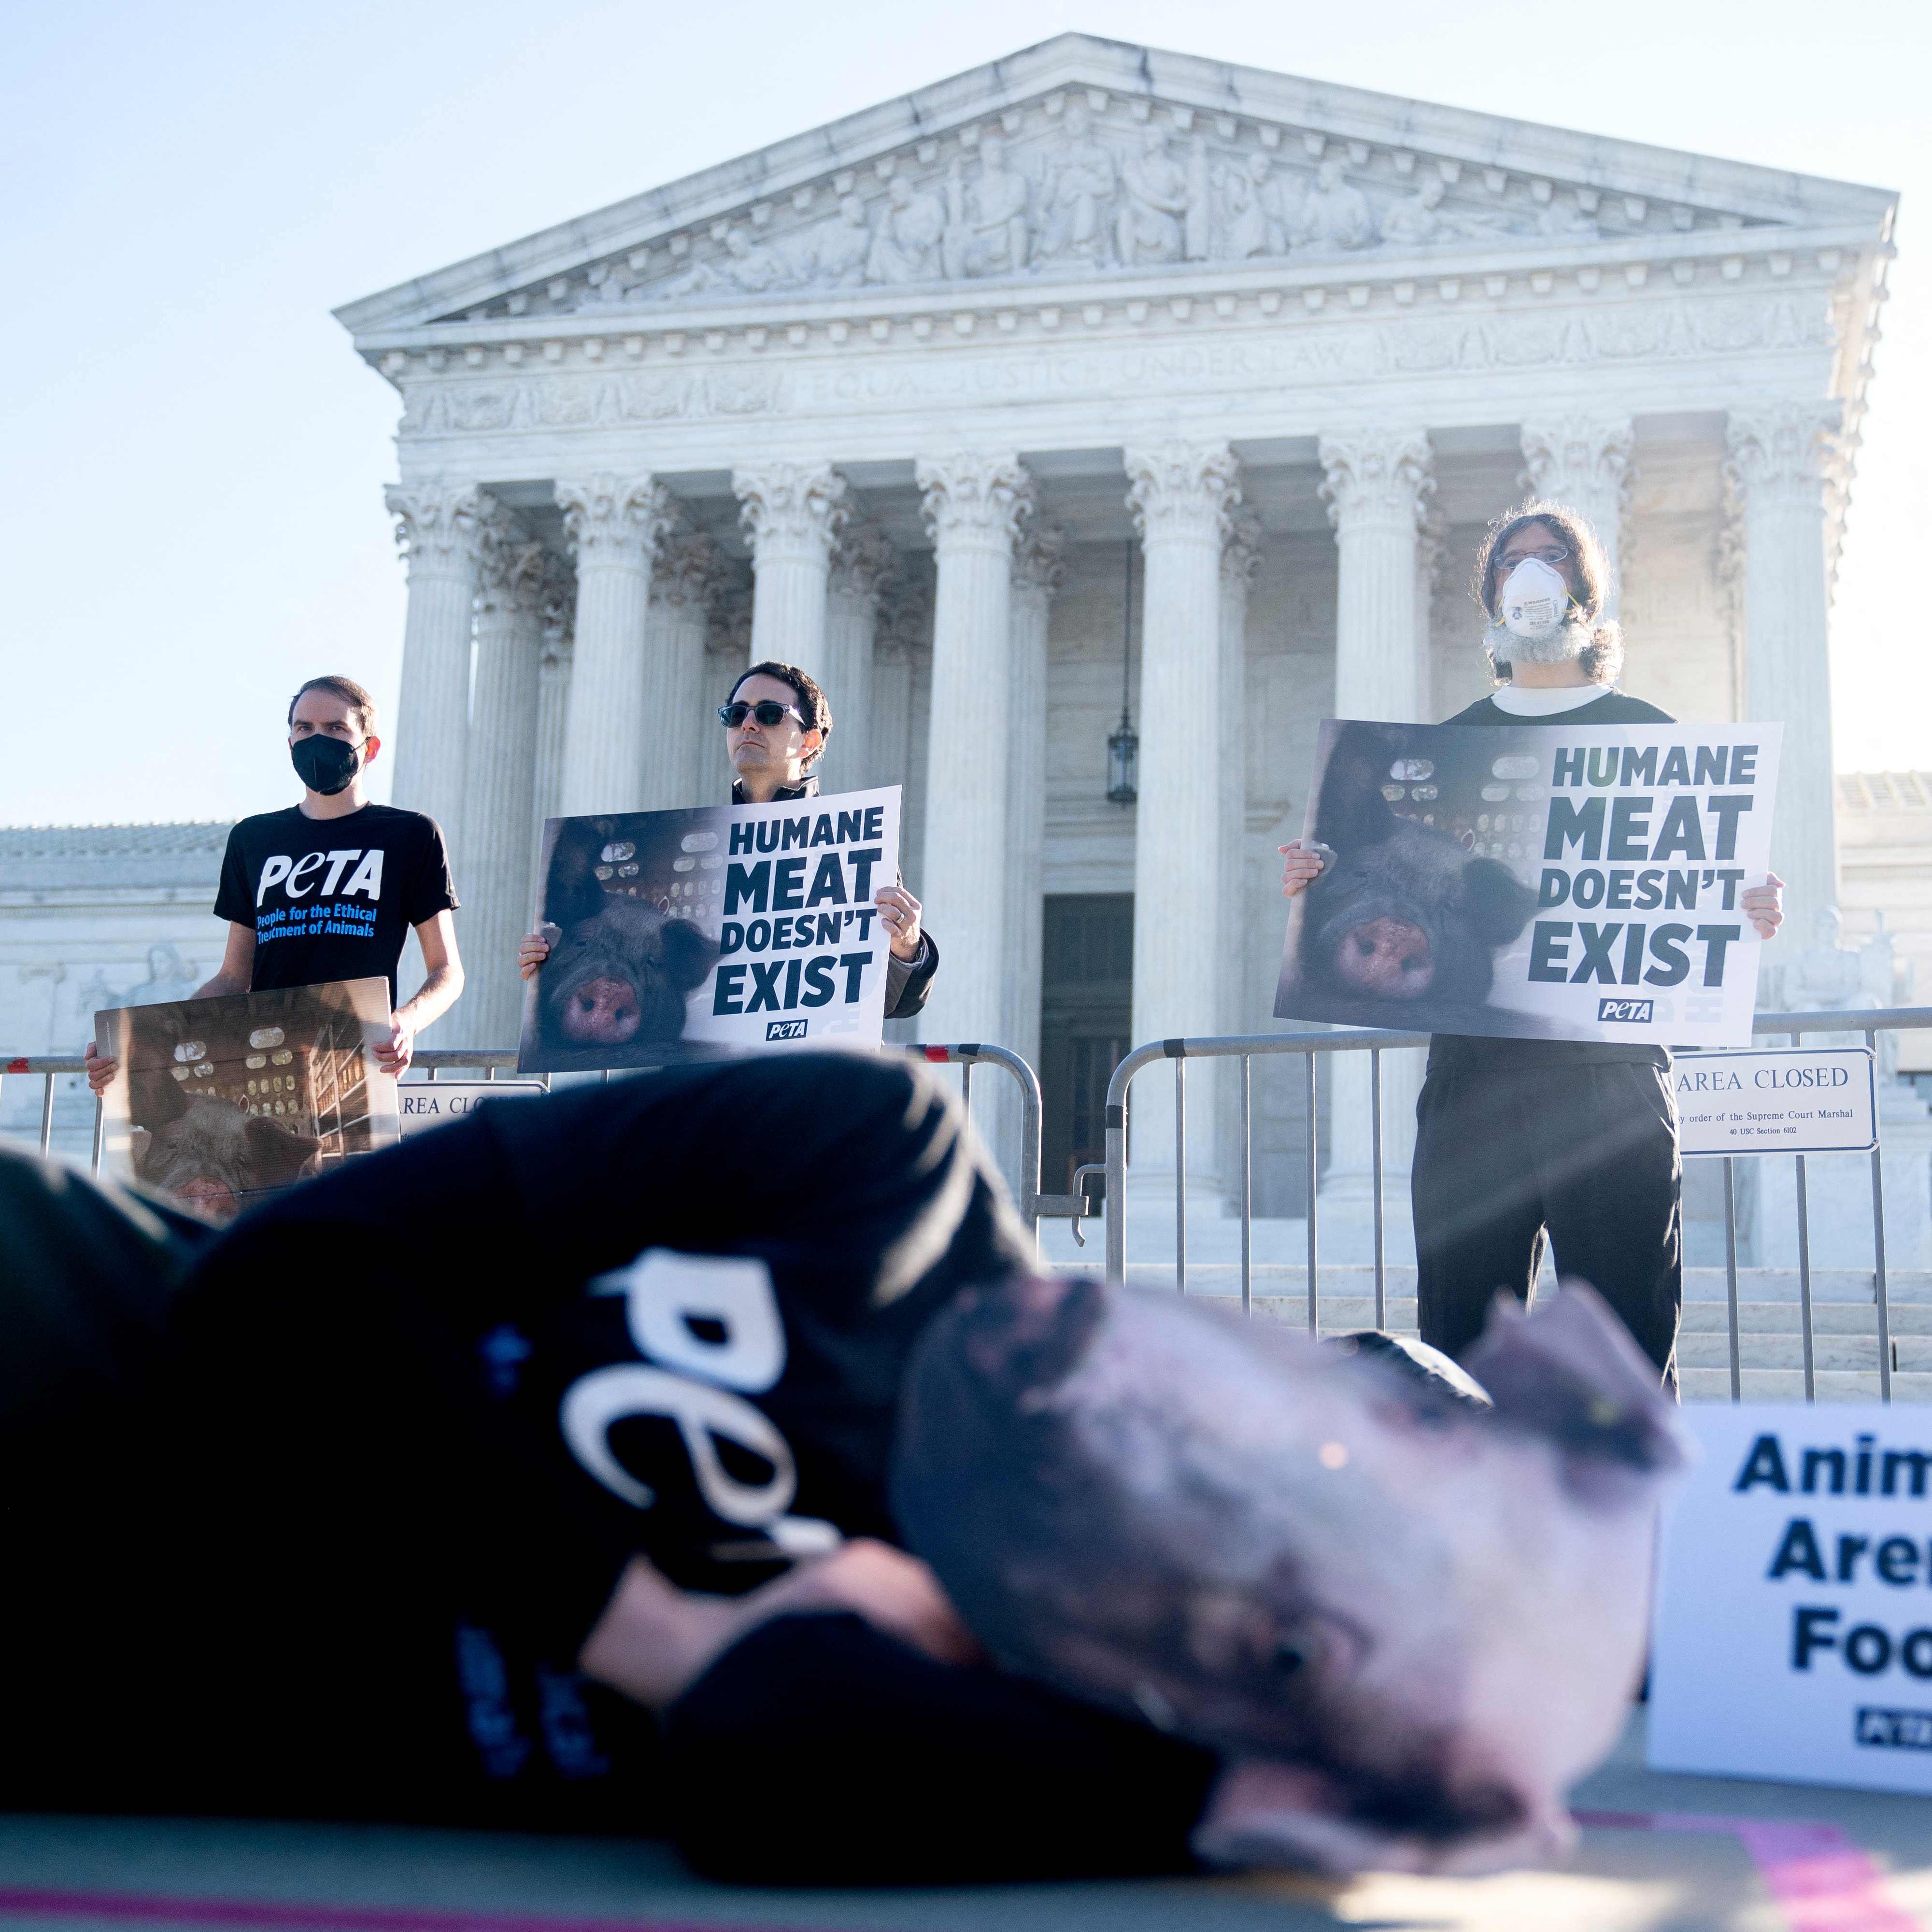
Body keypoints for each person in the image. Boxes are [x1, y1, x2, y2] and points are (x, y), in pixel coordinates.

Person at [0, 1056, 1218, 1882]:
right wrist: (662, 1636)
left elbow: (764, 1762)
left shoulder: (1068, 1712)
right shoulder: (882, 1164)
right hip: (50, 1349)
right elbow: (286, 1282)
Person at [1279, 501, 1784, 1381]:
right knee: (1460, 1348)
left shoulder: (1651, 732)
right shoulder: (1457, 741)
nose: (1532, 575)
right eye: (1513, 561)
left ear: (1587, 592)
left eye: (1552, 557)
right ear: (1493, 595)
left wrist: (1751, 903)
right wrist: (1313, 882)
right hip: (1478, 1082)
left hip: (1612, 1084)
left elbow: (1702, 887)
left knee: (1625, 1351)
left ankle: (1630, 1521)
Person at [85, 676, 463, 1089]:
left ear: (369, 748)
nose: (318, 739)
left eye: (336, 728)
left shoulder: (411, 835)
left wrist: (405, 1023)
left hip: (357, 1066)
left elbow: (447, 970)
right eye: (305, 728)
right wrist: (138, 1042)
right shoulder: (254, 839)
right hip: (263, 1066)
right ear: (290, 745)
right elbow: (233, 979)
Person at [519, 660, 938, 1019]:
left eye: (770, 714)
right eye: (735, 715)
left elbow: (891, 1004)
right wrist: (558, 960)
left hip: (807, 1090)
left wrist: (906, 946)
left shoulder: (853, 847)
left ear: (810, 740)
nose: (749, 724)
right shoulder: (702, 845)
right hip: (713, 1093)